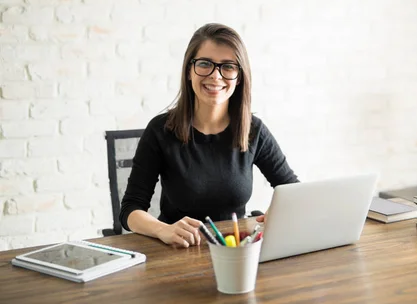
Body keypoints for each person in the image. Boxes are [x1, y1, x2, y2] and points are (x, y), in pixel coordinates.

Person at [119, 23, 299, 248]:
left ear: (239, 77)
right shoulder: (160, 130)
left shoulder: (253, 129)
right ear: (188, 70)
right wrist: (164, 230)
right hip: (178, 253)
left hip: (235, 252)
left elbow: (292, 189)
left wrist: (276, 213)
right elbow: (130, 209)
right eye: (205, 64)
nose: (216, 76)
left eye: (228, 67)